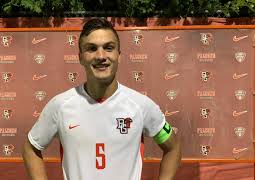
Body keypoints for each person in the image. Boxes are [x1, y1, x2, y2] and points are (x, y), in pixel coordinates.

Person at [22, 18, 181, 180]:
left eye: (108, 48)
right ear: (80, 57)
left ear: (119, 56)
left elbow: (173, 147)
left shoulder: (141, 105)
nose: (101, 56)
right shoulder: (60, 106)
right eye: (91, 49)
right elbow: (31, 147)